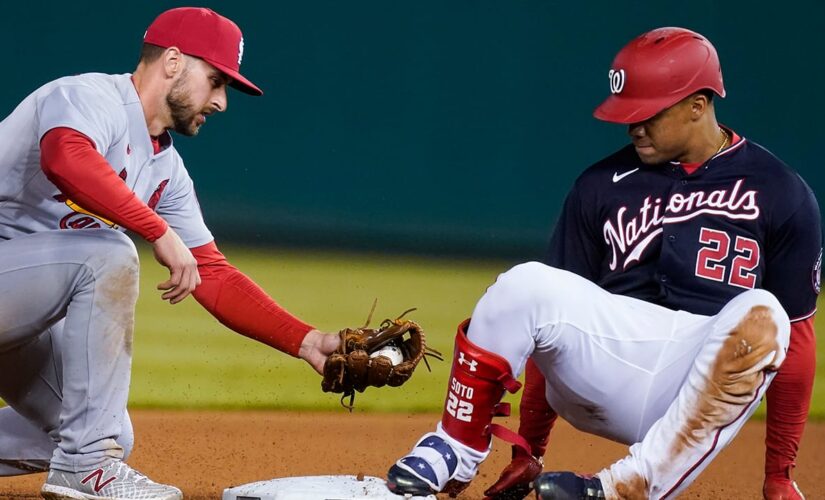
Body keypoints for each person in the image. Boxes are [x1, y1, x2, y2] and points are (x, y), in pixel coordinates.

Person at [386, 27, 820, 499]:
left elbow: (795, 344)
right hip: (609, 360)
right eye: (627, 114)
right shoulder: (601, 185)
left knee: (767, 315)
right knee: (523, 283)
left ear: (698, 104)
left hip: (702, 381)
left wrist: (780, 473)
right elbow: (549, 334)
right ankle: (454, 449)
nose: (634, 126)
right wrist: (528, 451)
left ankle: (618, 489)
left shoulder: (782, 192)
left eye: (648, 113)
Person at [0, 7, 339, 500]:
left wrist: (305, 340)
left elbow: (213, 274)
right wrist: (155, 230)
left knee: (106, 429)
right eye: (217, 81)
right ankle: (85, 470)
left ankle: (88, 455)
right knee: (107, 254)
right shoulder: (88, 97)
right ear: (174, 61)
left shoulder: (166, 172)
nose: (222, 101)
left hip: (14, 298)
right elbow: (65, 157)